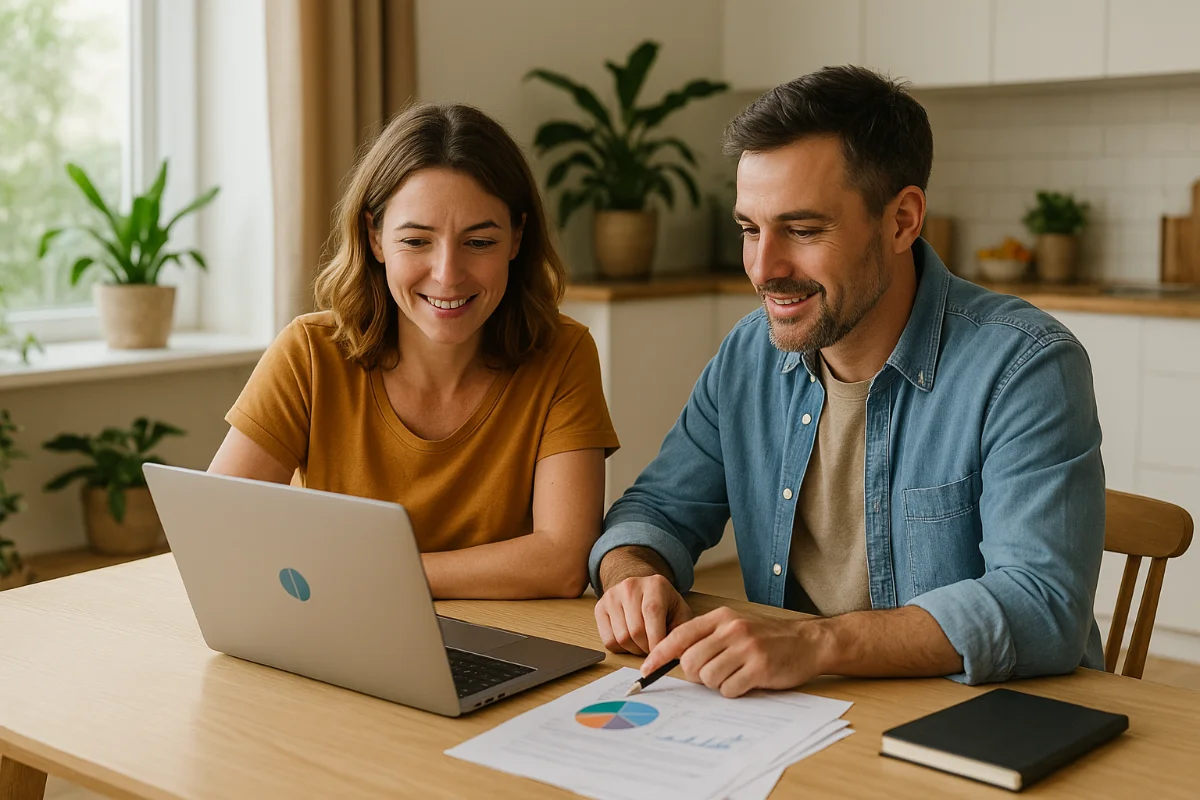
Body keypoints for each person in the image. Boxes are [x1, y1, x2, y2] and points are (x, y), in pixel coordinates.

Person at [589, 66, 1106, 696]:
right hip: (802, 713)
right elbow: (654, 512)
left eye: (804, 231)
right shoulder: (749, 355)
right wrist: (632, 577)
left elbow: (1043, 604)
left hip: (981, 717)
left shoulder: (1025, 366)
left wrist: (816, 643)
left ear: (902, 221)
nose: (763, 268)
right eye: (750, 229)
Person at [209, 103, 619, 600]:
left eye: (479, 242)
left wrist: (375, 576)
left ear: (517, 237)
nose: (447, 274)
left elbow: (563, 560)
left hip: (496, 634)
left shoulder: (563, 354)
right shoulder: (308, 354)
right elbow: (217, 526)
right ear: (375, 237)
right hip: (338, 623)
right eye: (417, 241)